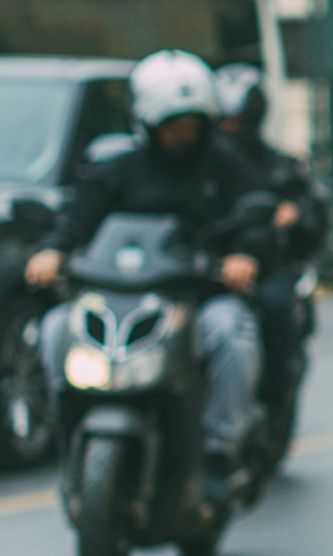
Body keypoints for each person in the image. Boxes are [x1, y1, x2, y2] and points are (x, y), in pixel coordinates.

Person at [25, 49, 269, 501]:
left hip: (195, 298)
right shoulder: (118, 169)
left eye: (192, 123)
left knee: (232, 332)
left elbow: (256, 212)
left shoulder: (225, 164)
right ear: (148, 122)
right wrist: (53, 251)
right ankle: (70, 432)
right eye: (173, 124)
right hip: (117, 298)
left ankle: (220, 450)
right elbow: (77, 219)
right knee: (56, 328)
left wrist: (246, 254)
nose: (183, 133)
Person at [213, 62, 330, 370]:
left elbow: (314, 215)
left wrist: (295, 215)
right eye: (223, 121)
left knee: (275, 307)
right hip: (208, 259)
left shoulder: (280, 167)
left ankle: (274, 385)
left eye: (236, 122)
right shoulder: (200, 169)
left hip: (266, 263)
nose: (228, 130)